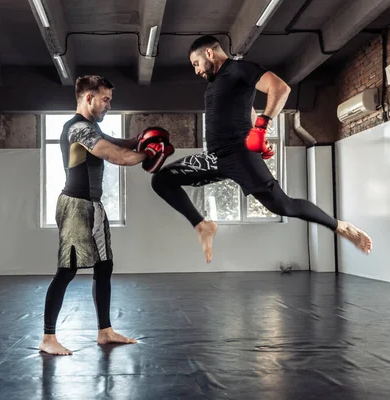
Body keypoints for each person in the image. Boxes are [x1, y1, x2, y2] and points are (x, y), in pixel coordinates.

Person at [150, 35, 372, 263]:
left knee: (283, 205)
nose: (196, 71)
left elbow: (280, 88)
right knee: (161, 180)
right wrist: (255, 134)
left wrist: (261, 128)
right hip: (215, 158)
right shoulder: (215, 84)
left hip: (239, 156)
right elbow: (246, 108)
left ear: (209, 53)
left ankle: (342, 227)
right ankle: (202, 225)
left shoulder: (239, 69)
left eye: (196, 64)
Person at [38, 75, 173, 355]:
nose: (109, 105)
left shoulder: (89, 128)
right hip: (75, 207)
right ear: (89, 98)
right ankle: (48, 338)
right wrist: (149, 154)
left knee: (104, 267)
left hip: (94, 206)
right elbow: (117, 156)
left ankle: (105, 331)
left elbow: (121, 142)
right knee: (67, 271)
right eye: (106, 99)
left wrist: (142, 140)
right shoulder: (77, 129)